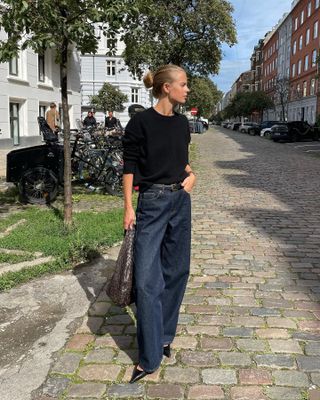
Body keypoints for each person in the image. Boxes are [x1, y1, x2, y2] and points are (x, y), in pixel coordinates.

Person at [122, 64, 196, 383]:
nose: (187, 89)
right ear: (167, 88)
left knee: (177, 270)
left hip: (180, 200)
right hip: (151, 202)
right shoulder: (140, 122)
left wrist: (191, 176)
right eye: (183, 84)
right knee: (147, 279)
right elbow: (129, 166)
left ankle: (165, 337)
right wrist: (128, 207)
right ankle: (149, 357)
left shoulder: (183, 124)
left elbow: (181, 159)